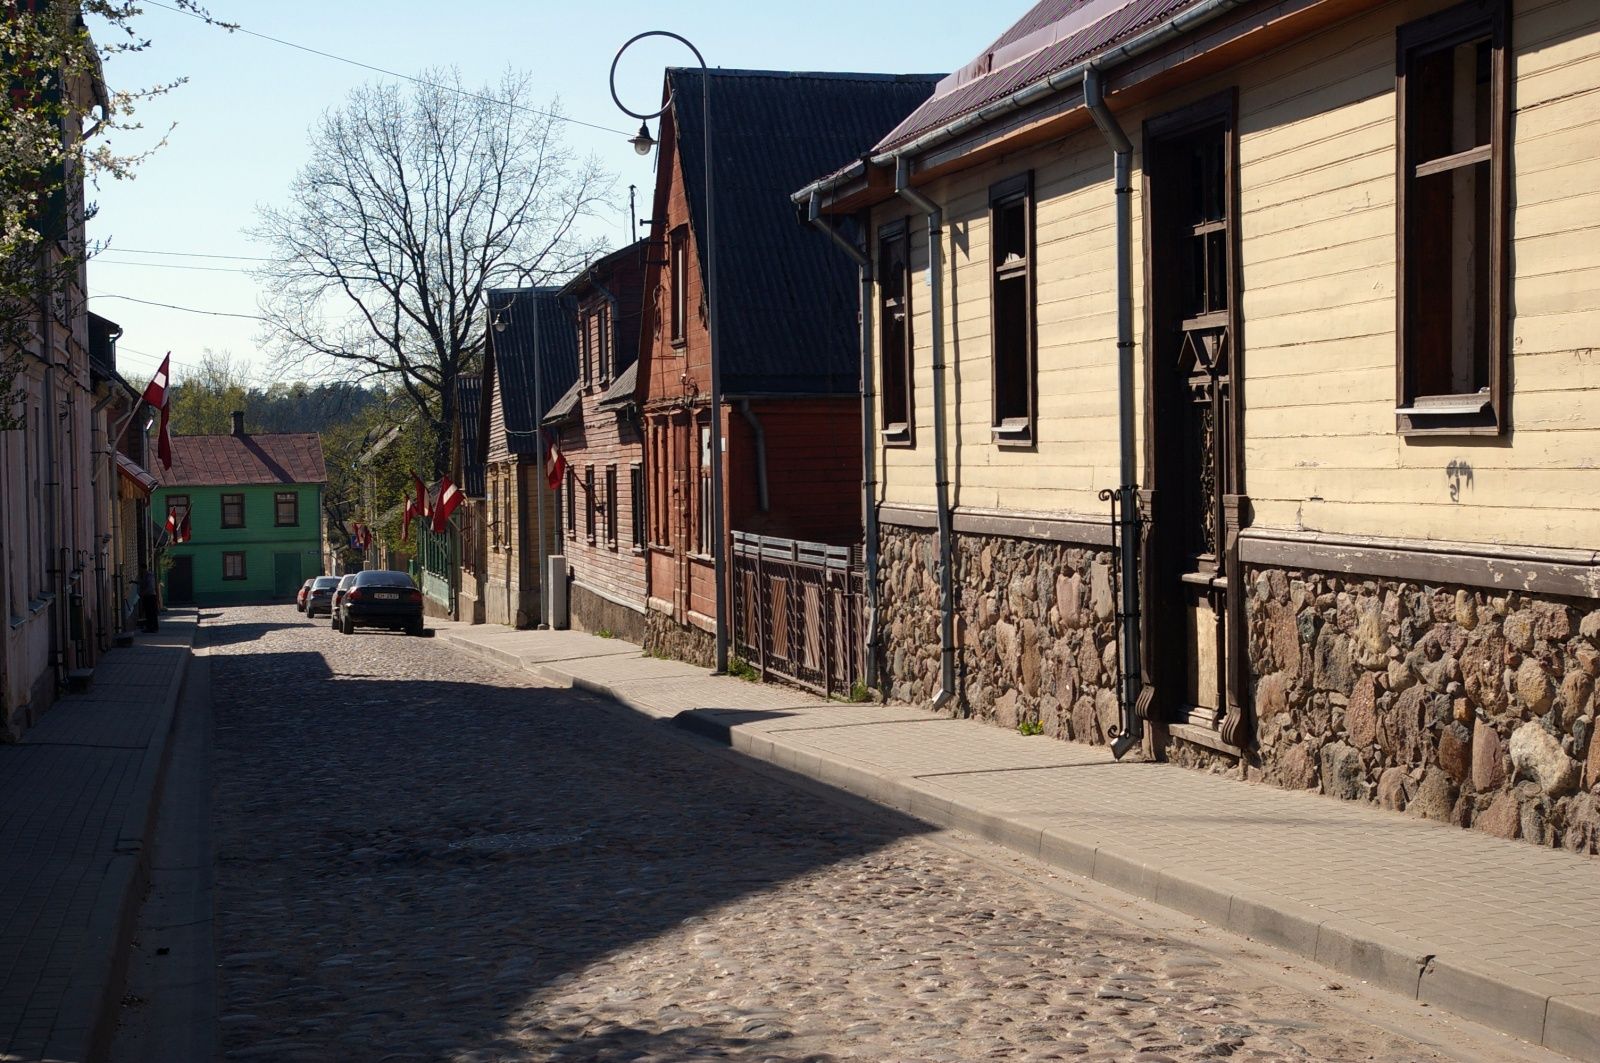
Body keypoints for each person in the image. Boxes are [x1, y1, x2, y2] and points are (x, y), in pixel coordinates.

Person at [140, 567, 160, 633]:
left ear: (143, 569)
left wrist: (143, 593)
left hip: (150, 596)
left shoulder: (148, 576)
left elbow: (150, 587)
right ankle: (153, 627)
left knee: (150, 613)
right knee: (151, 613)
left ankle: (151, 627)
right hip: (150, 596)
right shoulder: (148, 575)